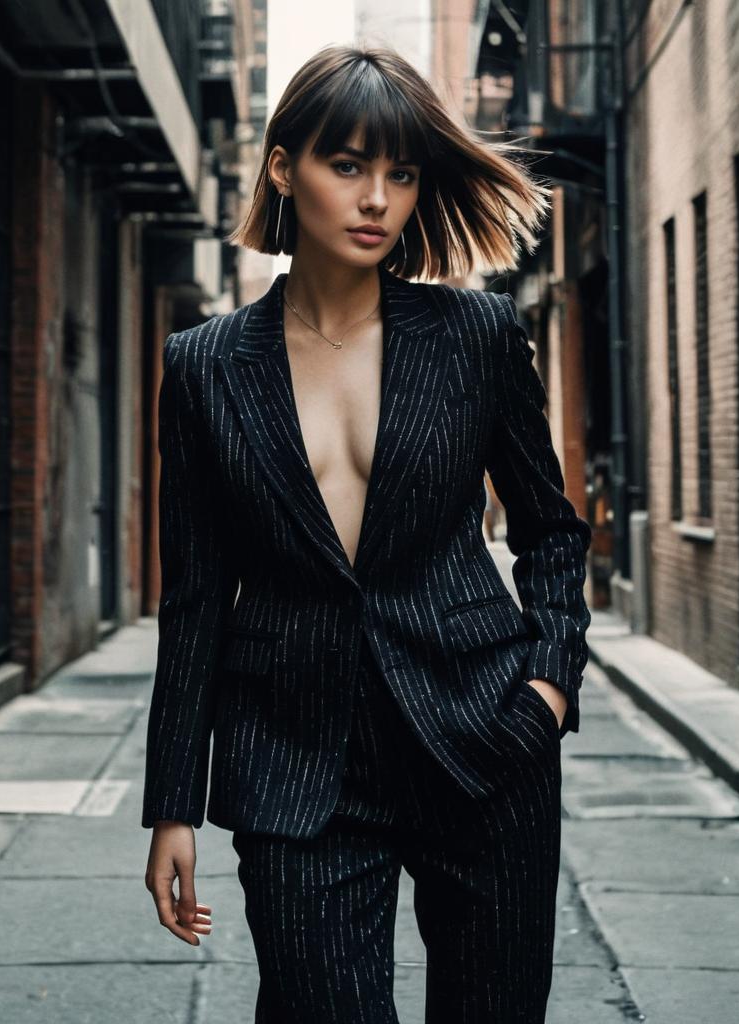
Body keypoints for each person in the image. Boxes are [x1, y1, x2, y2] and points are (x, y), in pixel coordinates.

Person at [142, 42, 593, 1024]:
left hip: (482, 735)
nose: (377, 199)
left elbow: (551, 533)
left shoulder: (475, 338)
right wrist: (172, 802)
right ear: (282, 167)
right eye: (346, 165)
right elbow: (194, 596)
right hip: (295, 761)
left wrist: (548, 691)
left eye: (401, 173)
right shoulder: (205, 365)